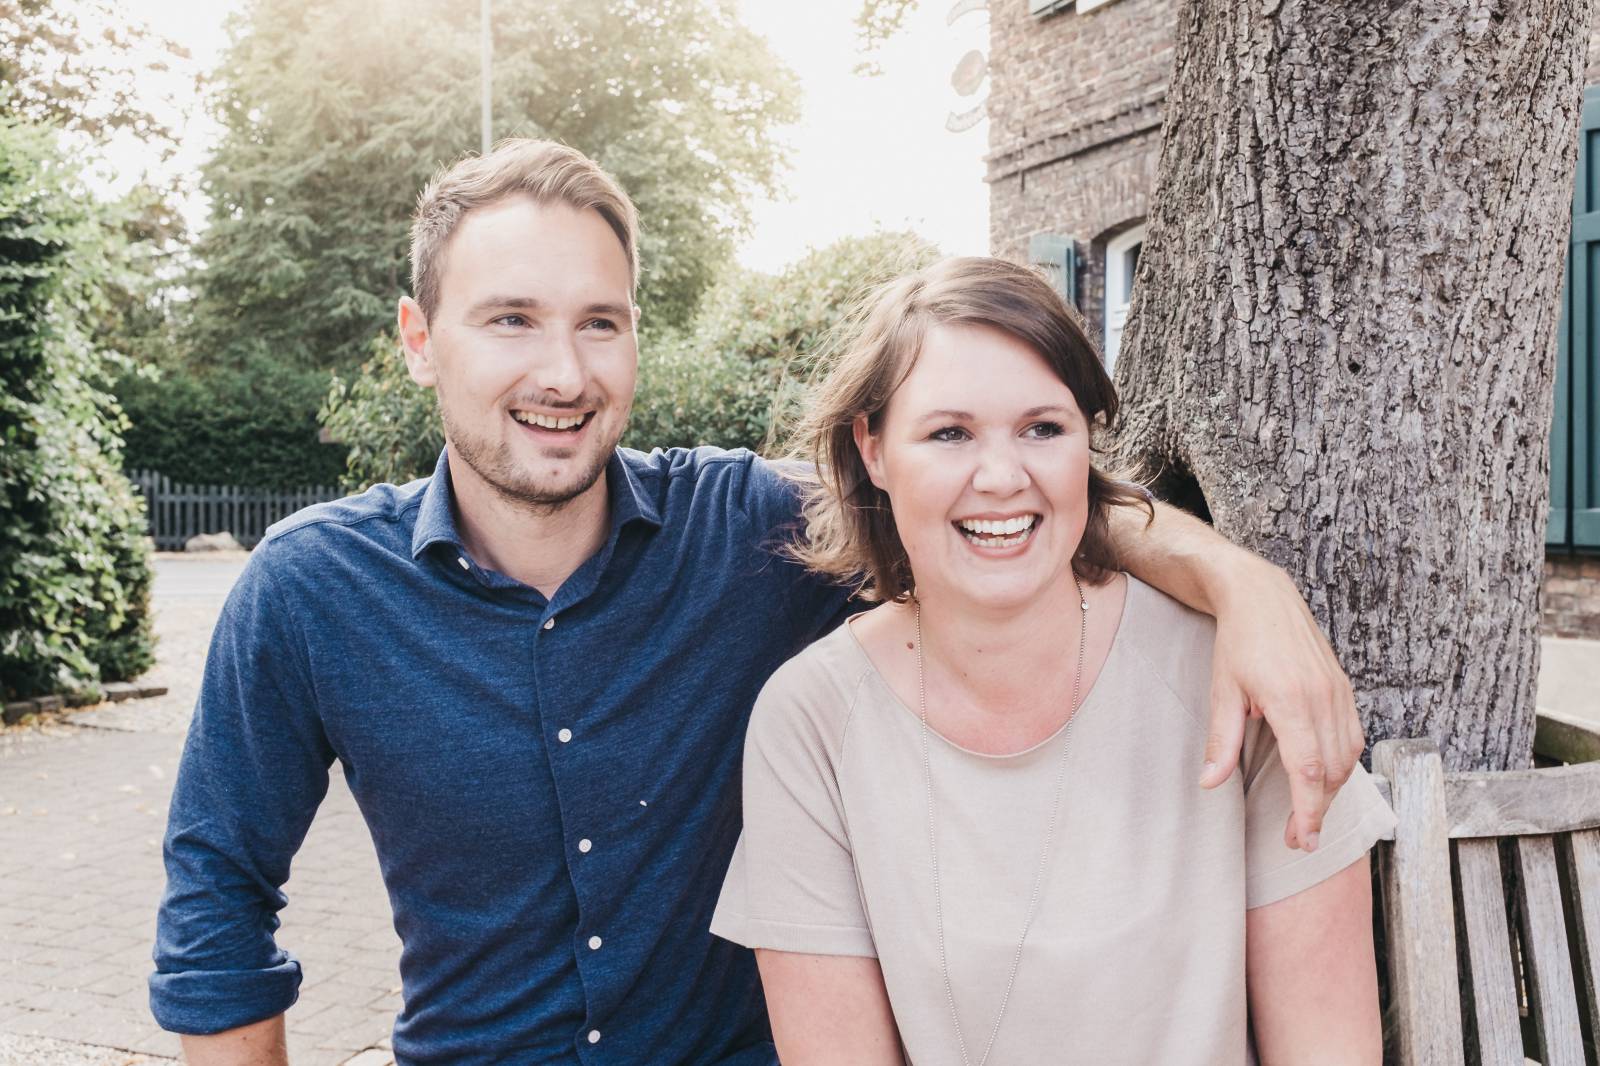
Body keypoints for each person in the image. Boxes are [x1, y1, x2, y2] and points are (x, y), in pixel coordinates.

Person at [151, 140, 1367, 1065]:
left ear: (636, 340)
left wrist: (1237, 582)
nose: (562, 372)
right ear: (420, 340)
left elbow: (978, 499)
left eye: (599, 324)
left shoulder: (742, 528)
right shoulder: (311, 591)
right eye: (509, 321)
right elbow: (215, 906)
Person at [711, 257, 1395, 1064]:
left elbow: (1328, 1049)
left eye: (1043, 428)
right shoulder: (812, 721)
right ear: (875, 450)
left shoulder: (1238, 672)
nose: (1002, 477)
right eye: (948, 433)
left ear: (1087, 443)